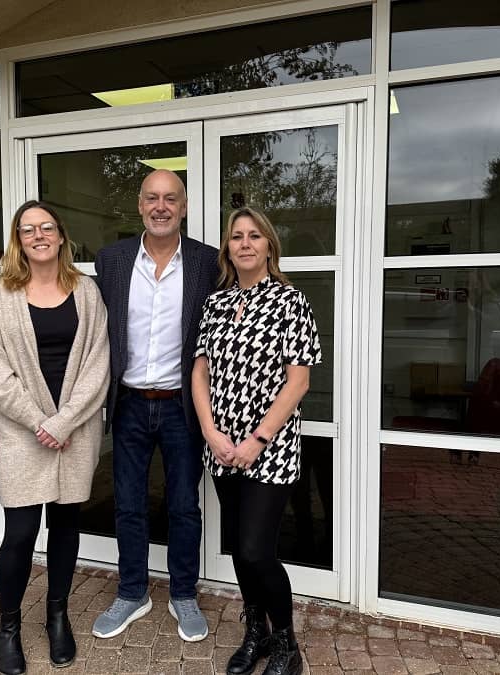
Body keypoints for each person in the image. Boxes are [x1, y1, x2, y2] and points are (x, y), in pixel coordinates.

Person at [0, 200, 109, 675]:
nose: (38, 235)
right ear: (19, 238)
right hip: (21, 432)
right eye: (28, 229)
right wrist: (40, 421)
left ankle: (57, 615)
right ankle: (6, 627)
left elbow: (98, 365)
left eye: (46, 227)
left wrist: (64, 421)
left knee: (66, 527)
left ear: (60, 235)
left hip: (74, 432)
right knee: (20, 533)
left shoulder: (86, 291)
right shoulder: (0, 293)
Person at [192, 206, 321, 675]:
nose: (245, 243)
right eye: (237, 237)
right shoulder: (216, 303)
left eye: (254, 236)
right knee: (239, 549)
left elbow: (298, 381)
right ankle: (256, 633)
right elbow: (200, 372)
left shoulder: (291, 302)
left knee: (255, 550)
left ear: (269, 244)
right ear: (229, 247)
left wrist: (258, 439)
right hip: (222, 449)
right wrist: (210, 431)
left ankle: (287, 645)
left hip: (269, 450)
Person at [92, 169, 219, 642]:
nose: (161, 206)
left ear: (183, 207)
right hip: (128, 403)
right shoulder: (113, 260)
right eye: (152, 198)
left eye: (170, 198)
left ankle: (183, 594)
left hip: (181, 407)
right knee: (128, 504)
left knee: (184, 505)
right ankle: (132, 591)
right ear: (140, 206)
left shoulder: (208, 262)